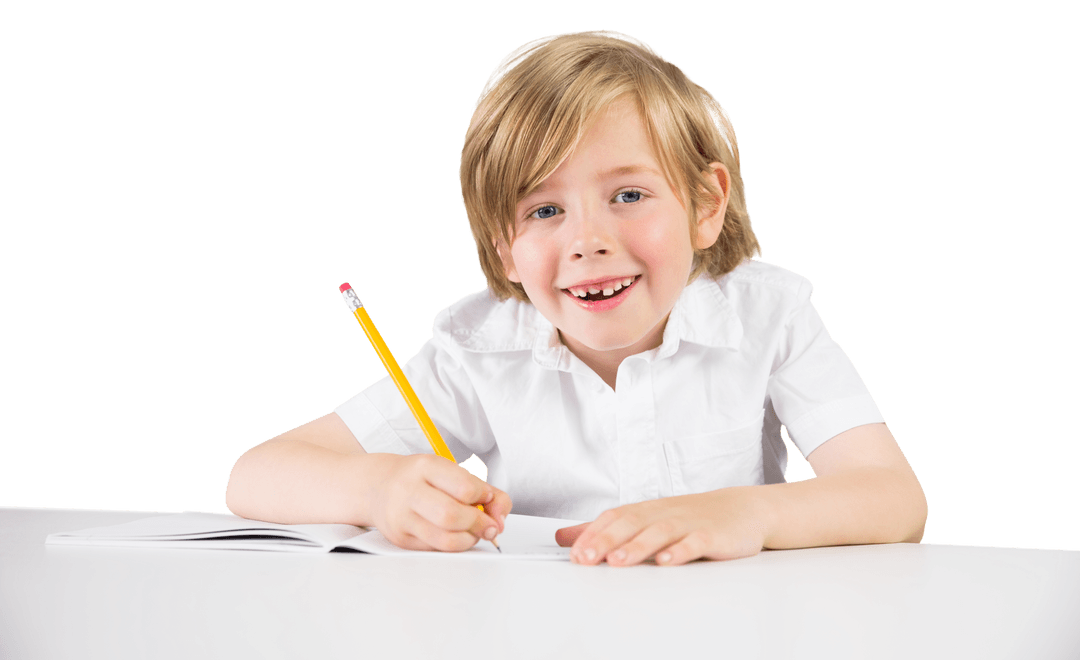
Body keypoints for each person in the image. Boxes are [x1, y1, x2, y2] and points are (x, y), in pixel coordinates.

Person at [225, 30, 928, 567]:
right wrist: (378, 492)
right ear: (504, 245)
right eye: (543, 212)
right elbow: (254, 477)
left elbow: (896, 499)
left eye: (628, 195)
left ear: (706, 204)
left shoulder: (766, 316)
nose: (587, 241)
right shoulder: (479, 351)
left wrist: (745, 516)